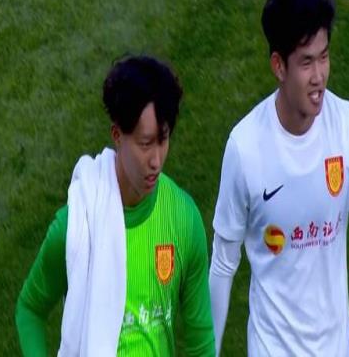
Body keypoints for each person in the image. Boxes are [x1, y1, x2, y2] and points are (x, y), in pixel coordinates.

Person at [209, 0, 349, 356]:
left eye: (324, 57)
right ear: (278, 66)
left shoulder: (347, 125)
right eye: (306, 62)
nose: (319, 77)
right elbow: (223, 266)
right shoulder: (245, 147)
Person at [16, 55, 215, 356]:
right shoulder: (77, 225)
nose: (156, 160)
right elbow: (30, 309)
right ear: (117, 136)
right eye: (145, 143)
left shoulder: (183, 217)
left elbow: (201, 341)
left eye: (163, 140)